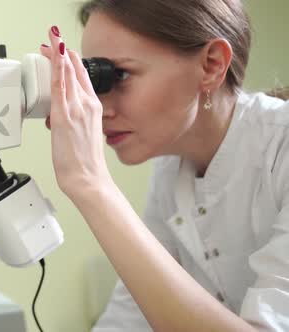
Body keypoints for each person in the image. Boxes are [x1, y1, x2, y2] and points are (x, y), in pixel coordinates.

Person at [39, 0, 289, 330]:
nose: (101, 108)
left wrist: (91, 184)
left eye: (121, 75)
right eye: (95, 81)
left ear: (211, 65)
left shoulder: (280, 148)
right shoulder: (173, 166)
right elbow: (128, 318)